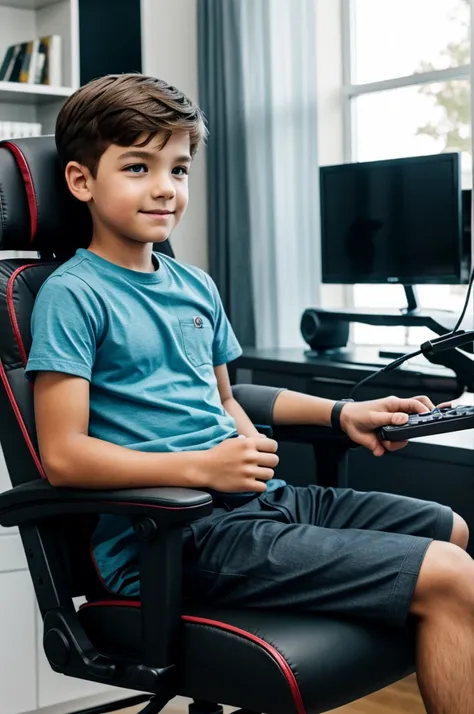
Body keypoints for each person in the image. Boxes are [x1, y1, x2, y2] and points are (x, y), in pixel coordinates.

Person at [25, 73, 473, 713]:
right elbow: (64, 457)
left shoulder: (194, 286)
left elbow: (230, 400)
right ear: (80, 182)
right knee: (451, 575)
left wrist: (341, 411)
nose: (164, 188)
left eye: (178, 169)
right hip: (176, 536)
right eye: (136, 166)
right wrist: (202, 466)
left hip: (260, 504)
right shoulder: (72, 295)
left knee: (449, 529)